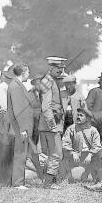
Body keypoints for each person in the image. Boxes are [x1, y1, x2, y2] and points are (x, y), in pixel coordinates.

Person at [38, 57, 68, 188]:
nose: (61, 70)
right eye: (58, 68)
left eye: (62, 68)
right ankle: (49, 183)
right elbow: (46, 106)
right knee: (56, 153)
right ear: (50, 68)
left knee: (53, 153)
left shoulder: (51, 80)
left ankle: (50, 180)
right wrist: (52, 126)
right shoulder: (48, 82)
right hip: (51, 125)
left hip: (52, 124)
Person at [6, 63, 35, 189]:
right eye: (28, 72)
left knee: (21, 154)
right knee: (20, 154)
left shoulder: (17, 85)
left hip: (20, 127)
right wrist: (23, 129)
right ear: (23, 72)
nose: (29, 74)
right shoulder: (16, 86)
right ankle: (18, 183)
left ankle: (18, 181)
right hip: (19, 128)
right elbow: (19, 109)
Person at [61, 109, 102, 182]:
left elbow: (97, 145)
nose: (78, 117)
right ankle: (67, 178)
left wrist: (90, 155)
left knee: (98, 156)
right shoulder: (71, 128)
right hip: (75, 154)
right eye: (78, 115)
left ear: (87, 119)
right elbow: (65, 143)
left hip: (88, 156)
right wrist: (72, 153)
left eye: (81, 115)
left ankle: (94, 178)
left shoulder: (93, 130)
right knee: (62, 155)